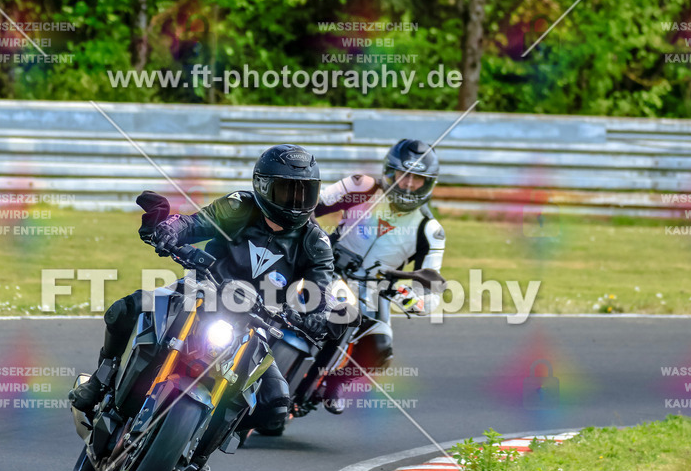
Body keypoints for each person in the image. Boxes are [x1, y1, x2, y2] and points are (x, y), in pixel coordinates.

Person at [69, 144, 338, 433]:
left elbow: (321, 289)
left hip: (257, 323)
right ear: (263, 186)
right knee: (124, 310)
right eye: (286, 191)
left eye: (304, 192)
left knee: (276, 404)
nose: (295, 202)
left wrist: (320, 315)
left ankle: (203, 444)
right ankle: (102, 378)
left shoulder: (316, 242)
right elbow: (193, 224)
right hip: (200, 291)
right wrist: (168, 229)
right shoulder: (240, 206)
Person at [312, 138, 446, 409]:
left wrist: (415, 299)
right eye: (403, 175)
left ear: (428, 183)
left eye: (417, 179)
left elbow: (432, 287)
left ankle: (335, 384)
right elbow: (310, 206)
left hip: (374, 290)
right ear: (390, 172)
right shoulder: (360, 186)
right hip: (325, 267)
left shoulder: (430, 230)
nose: (408, 184)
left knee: (380, 347)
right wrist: (311, 238)